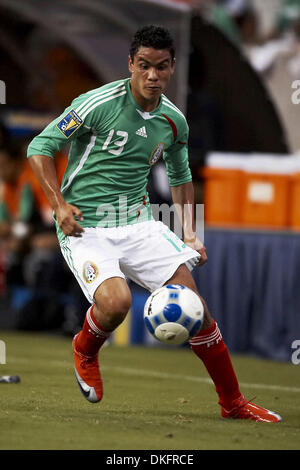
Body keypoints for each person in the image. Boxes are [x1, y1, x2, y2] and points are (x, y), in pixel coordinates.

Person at [27, 25, 281, 422]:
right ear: (131, 64)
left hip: (138, 223)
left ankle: (233, 403)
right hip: (85, 226)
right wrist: (58, 205)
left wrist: (190, 235)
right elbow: (40, 146)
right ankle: (85, 348)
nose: (152, 76)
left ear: (172, 68)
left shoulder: (174, 121)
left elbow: (180, 177)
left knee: (196, 308)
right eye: (143, 66)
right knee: (116, 304)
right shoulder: (96, 103)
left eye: (161, 67)